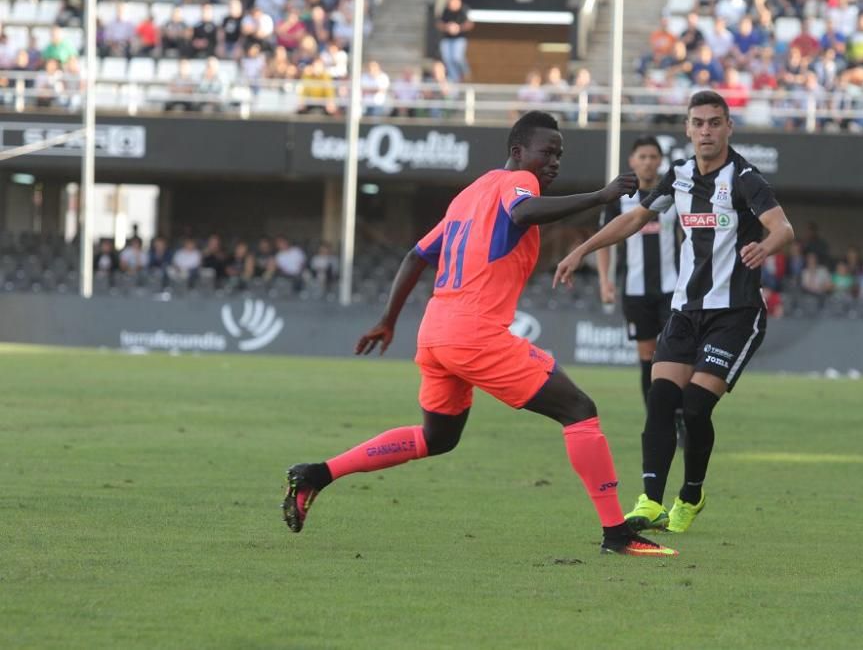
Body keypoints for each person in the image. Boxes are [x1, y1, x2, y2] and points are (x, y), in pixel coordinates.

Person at [282, 111, 676, 558]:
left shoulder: (468, 196)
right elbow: (524, 210)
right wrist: (601, 195)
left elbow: (415, 256)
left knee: (437, 438)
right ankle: (617, 534)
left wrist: (388, 319)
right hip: (474, 333)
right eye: (546, 151)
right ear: (517, 152)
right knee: (579, 409)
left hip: (435, 332)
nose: (553, 162)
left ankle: (316, 473)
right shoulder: (515, 183)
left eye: (559, 154)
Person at [554, 91, 795, 534]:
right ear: (687, 129)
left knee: (696, 408)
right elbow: (633, 218)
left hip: (736, 313)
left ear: (728, 128)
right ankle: (649, 501)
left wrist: (765, 245)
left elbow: (783, 227)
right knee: (661, 398)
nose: (706, 131)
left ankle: (691, 494)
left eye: (714, 123)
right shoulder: (679, 176)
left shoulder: (745, 178)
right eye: (698, 123)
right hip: (685, 311)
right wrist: (583, 249)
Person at [596, 136, 679, 404]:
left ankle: (677, 415)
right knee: (647, 355)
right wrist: (605, 281)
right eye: (642, 157)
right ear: (632, 161)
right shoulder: (619, 199)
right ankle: (655, 416)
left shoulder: (673, 195)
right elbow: (604, 241)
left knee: (674, 354)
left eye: (653, 157)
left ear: (660, 161)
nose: (648, 162)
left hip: (672, 289)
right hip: (635, 290)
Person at [437, 0, 473, 82]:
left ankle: (465, 72)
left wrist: (458, 28)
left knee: (457, 57)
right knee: (447, 59)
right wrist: (447, 27)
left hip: (459, 39)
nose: (451, 4)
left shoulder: (464, 10)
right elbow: (439, 24)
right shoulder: (446, 10)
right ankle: (455, 78)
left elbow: (470, 24)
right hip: (447, 39)